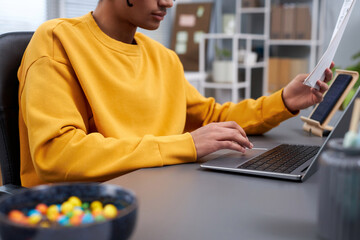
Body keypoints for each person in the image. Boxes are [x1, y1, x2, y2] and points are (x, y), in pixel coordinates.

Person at [17, 0, 333, 187]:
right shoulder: (56, 40)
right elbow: (57, 155)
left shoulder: (163, 57)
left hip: (164, 191)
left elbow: (214, 119)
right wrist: (185, 144)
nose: (168, 2)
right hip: (87, 211)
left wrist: (283, 101)